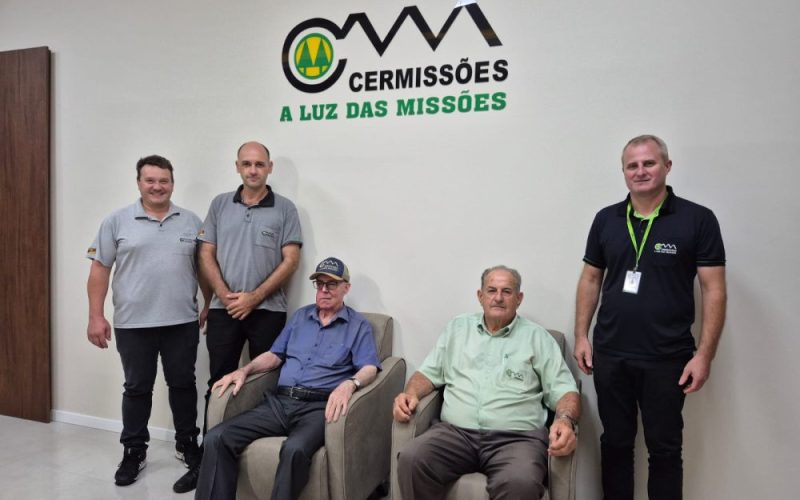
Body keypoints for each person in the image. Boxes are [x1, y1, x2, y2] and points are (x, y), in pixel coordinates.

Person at [573, 134, 727, 500]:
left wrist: (704, 355)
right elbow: (591, 278)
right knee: (615, 444)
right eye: (632, 165)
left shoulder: (697, 219)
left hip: (667, 357)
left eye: (649, 163)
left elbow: (714, 290)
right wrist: (581, 335)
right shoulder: (606, 219)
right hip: (611, 353)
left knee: (665, 450)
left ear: (667, 166)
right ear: (624, 172)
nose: (640, 171)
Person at [194, 257, 381, 500]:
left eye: (332, 284)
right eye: (320, 284)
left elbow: (370, 367)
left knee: (294, 449)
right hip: (279, 403)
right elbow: (275, 355)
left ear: (346, 288)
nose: (324, 290)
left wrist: (350, 384)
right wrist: (244, 370)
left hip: (319, 408)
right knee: (217, 438)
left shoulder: (358, 326)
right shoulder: (301, 317)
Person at [394, 265, 580, 500]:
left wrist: (565, 420)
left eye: (507, 291)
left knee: (520, 483)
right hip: (455, 434)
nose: (498, 297)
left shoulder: (537, 337)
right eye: (492, 290)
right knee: (412, 459)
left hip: (517, 439)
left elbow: (566, 390)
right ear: (480, 296)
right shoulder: (457, 329)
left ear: (519, 298)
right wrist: (411, 392)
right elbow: (428, 374)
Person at [85, 155, 209, 492]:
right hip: (133, 324)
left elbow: (204, 268)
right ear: (139, 183)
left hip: (181, 321)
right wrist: (95, 315)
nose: (157, 186)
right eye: (150, 180)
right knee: (137, 388)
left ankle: (187, 444)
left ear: (172, 183)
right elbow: (99, 270)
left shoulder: (191, 222)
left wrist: (209, 303)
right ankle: (134, 451)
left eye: (163, 180)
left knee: (183, 384)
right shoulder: (116, 221)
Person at [197, 140, 302, 420]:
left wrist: (254, 298)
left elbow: (291, 260)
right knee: (219, 382)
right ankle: (211, 445)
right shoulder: (220, 204)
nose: (253, 170)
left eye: (259, 164)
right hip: (224, 309)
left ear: (269, 167)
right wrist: (225, 295)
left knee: (265, 384)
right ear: (237, 167)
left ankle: (254, 446)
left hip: (268, 311)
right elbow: (206, 253)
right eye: (246, 164)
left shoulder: (286, 209)